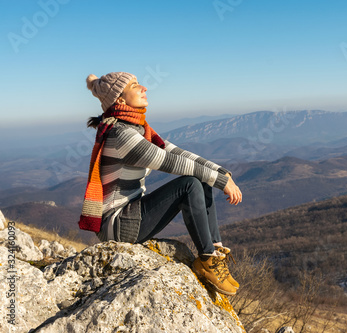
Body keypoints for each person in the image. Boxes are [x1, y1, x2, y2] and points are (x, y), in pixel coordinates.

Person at [79, 71, 242, 296]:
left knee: (201, 181)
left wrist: (221, 173)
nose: (144, 88)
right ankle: (206, 260)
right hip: (118, 225)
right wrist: (221, 181)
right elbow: (169, 161)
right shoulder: (121, 135)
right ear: (119, 99)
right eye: (134, 85)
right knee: (190, 184)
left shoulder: (139, 129)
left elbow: (177, 152)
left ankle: (213, 254)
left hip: (130, 214)